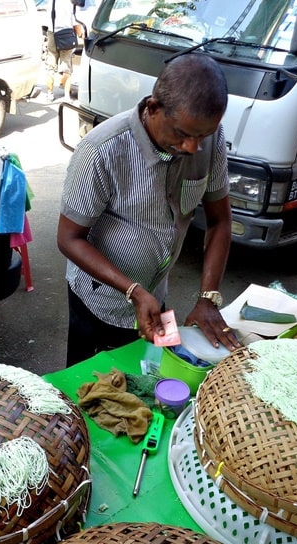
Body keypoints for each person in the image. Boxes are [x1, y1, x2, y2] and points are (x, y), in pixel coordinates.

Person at [57, 53, 241, 367]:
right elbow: (68, 238)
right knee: (91, 389)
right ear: (153, 109)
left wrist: (208, 298)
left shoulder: (208, 141)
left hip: (155, 295)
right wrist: (133, 290)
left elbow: (220, 221)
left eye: (203, 136)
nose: (193, 148)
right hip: (100, 300)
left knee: (155, 375)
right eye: (183, 134)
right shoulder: (101, 150)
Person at [43, 0, 81, 102]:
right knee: (66, 67)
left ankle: (50, 94)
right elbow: (75, 22)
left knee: (50, 66)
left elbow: (47, 19)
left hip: (52, 34)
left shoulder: (51, 1)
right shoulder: (71, 2)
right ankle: (67, 96)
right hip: (66, 34)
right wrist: (81, 34)